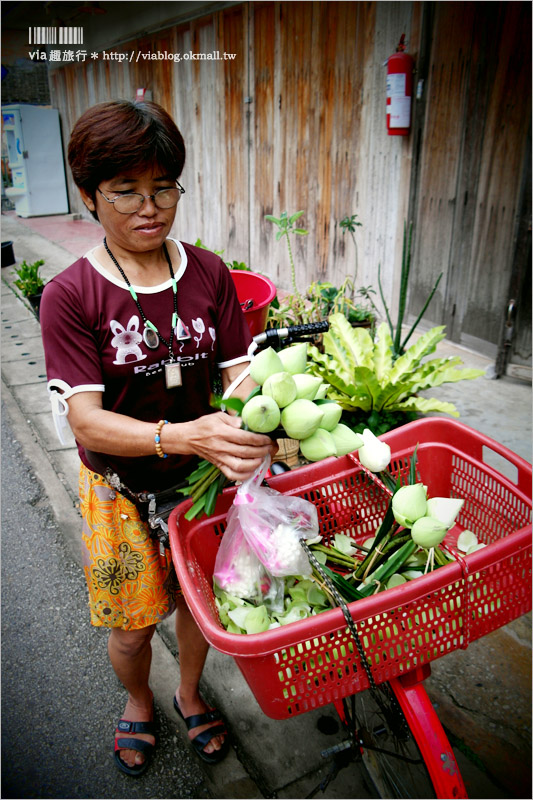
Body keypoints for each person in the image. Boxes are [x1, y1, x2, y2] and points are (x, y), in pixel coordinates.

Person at [40, 100, 277, 777]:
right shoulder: (71, 295)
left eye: (163, 187)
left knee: (200, 608)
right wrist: (184, 435)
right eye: (125, 191)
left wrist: (258, 420)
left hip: (199, 481)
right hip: (118, 488)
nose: (150, 207)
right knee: (133, 624)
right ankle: (141, 698)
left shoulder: (207, 273)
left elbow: (239, 377)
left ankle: (190, 692)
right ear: (89, 196)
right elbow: (84, 419)